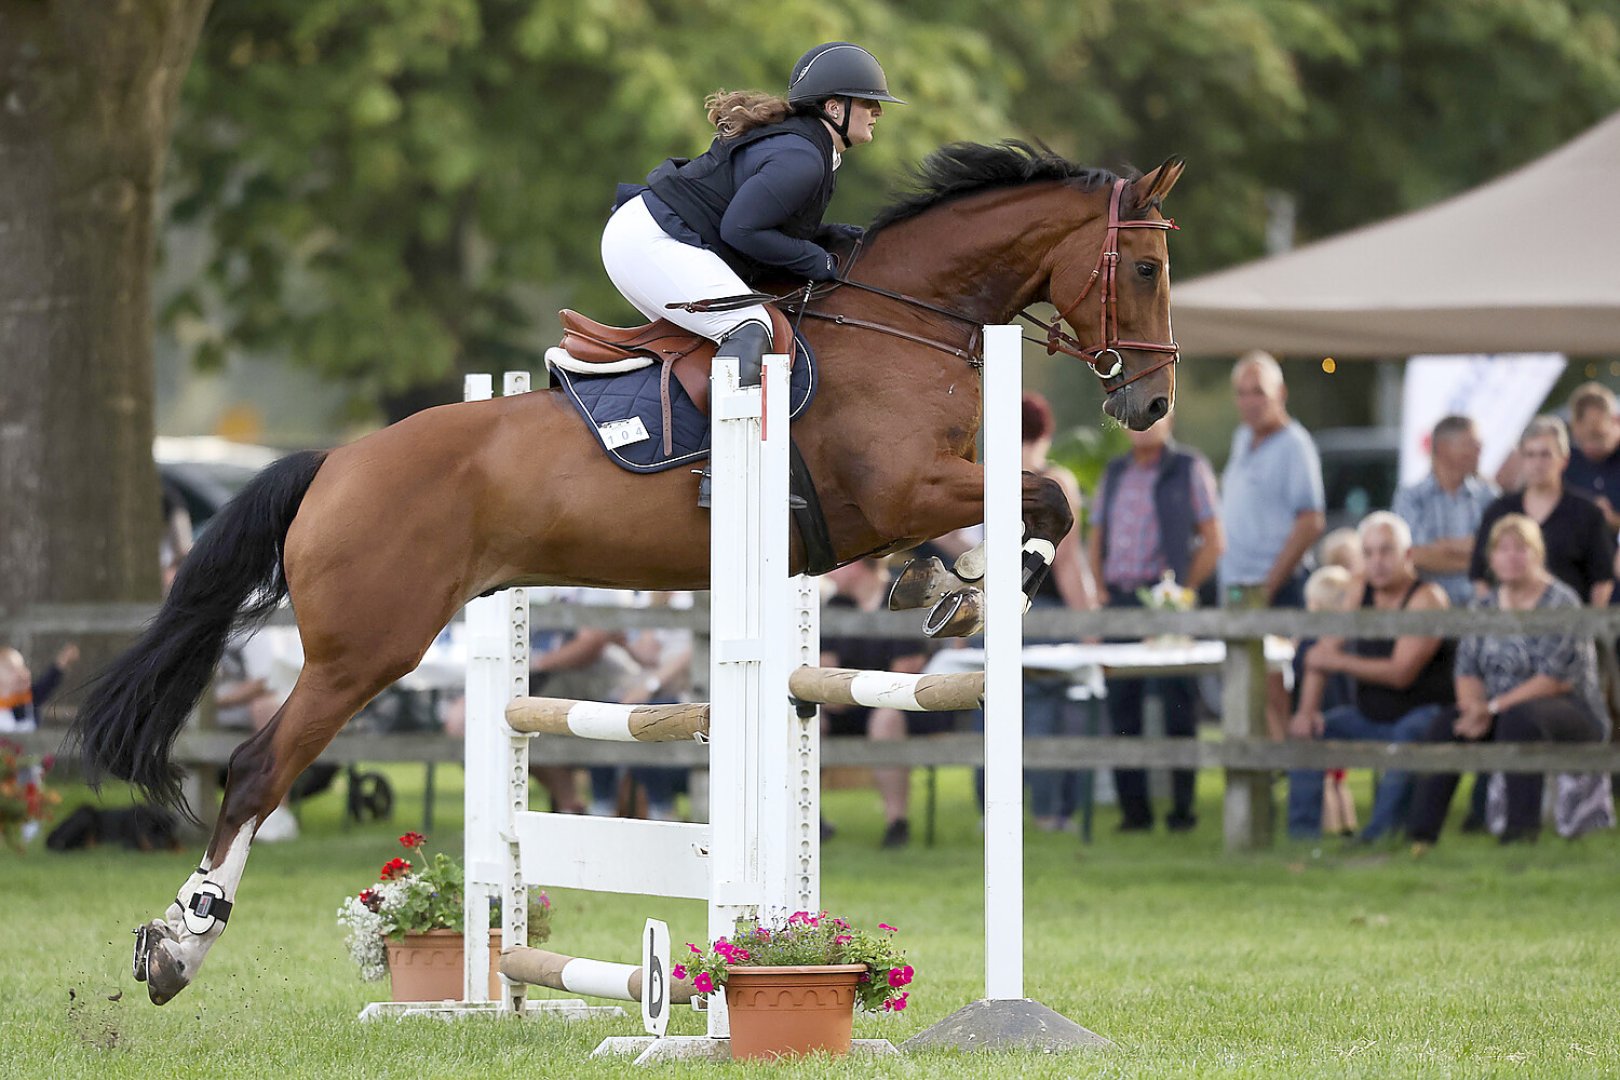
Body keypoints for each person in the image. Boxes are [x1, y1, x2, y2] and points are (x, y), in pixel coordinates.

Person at [602, 42, 902, 505]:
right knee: (750, 323)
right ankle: (725, 470)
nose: (878, 112)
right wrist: (815, 260)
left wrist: (826, 238)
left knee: (743, 325)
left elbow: (761, 222)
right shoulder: (804, 157)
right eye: (868, 102)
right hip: (649, 242)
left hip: (654, 236)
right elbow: (741, 229)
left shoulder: (809, 147)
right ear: (835, 107)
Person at [1409, 515, 1608, 848]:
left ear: (1537, 554)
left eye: (1521, 549)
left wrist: (1493, 707)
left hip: (1568, 709)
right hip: (1496, 708)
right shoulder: (1482, 607)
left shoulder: (1561, 603)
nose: (1511, 557)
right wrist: (1473, 709)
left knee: (1520, 720)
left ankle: (1519, 835)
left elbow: (1554, 679)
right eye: (1503, 549)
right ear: (1491, 558)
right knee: (1447, 725)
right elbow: (1467, 669)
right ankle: (1420, 836)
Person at [1086, 412, 1222, 832]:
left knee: (1178, 708)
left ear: (1170, 420)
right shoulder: (1115, 470)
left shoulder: (1187, 468)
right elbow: (1097, 536)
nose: (1141, 426)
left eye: (1150, 419)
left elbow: (1214, 540)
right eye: (1134, 421)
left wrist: (1181, 593)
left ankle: (1182, 812)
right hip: (1122, 602)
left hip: (1166, 603)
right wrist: (1102, 590)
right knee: (1122, 708)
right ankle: (1135, 813)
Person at [1287, 512, 1453, 841]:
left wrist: (1339, 660)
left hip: (1425, 713)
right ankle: (1302, 838)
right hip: (1369, 714)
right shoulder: (1360, 588)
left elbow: (1401, 673)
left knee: (1405, 739)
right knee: (1308, 733)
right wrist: (1306, 712)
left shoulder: (1427, 598)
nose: (1377, 562)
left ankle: (1377, 838)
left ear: (1407, 555)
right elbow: (1321, 654)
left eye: (1386, 551)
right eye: (1369, 552)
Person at [1219, 351, 1325, 738]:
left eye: (1258, 392)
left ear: (1280, 393)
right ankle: (1263, 788)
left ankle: (1289, 790)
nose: (1250, 401)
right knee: (1247, 701)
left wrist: (1267, 586)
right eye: (1242, 393)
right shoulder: (1242, 438)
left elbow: (1311, 520)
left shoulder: (1295, 445)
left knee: (1275, 699)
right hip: (1239, 591)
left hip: (1277, 591)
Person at [818, 558, 933, 847]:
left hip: (901, 703)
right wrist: (841, 692)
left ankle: (897, 822)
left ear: (858, 565)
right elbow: (824, 668)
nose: (829, 573)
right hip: (846, 702)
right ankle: (807, 818)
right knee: (809, 717)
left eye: (838, 565)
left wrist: (847, 688)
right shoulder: (836, 606)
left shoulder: (901, 600)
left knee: (886, 719)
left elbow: (906, 669)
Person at [1022, 392, 1098, 830]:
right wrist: (1088, 624)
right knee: (1047, 713)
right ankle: (1049, 812)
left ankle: (988, 810)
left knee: (989, 708)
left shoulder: (986, 478)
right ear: (1046, 433)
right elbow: (1067, 562)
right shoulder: (1056, 483)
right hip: (1045, 610)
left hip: (996, 611)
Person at [1470, 417, 1612, 607]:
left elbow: (1602, 580)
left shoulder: (1587, 513)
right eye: (1530, 454)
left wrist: (1589, 629)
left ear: (1564, 459)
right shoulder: (1499, 510)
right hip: (1506, 626)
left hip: (1568, 624)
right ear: (1521, 459)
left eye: (1545, 454)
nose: (1537, 463)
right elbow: (1480, 574)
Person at [1393, 415, 1496, 608]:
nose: (1479, 450)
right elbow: (1413, 556)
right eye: (1470, 444)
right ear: (1442, 448)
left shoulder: (1489, 495)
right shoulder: (1411, 498)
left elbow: (1499, 551)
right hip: (1428, 614)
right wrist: (1476, 562)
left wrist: (1445, 547)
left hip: (1482, 611)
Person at [1565, 382, 1620, 531]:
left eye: (1597, 436)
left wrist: (1613, 520)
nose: (1589, 446)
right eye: (1581, 440)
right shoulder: (1566, 462)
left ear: (1616, 421)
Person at [0, 643, 79, 732]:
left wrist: (61, 663)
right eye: (12, 670)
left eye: (22, 667)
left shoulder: (30, 697)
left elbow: (46, 684)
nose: (21, 673)